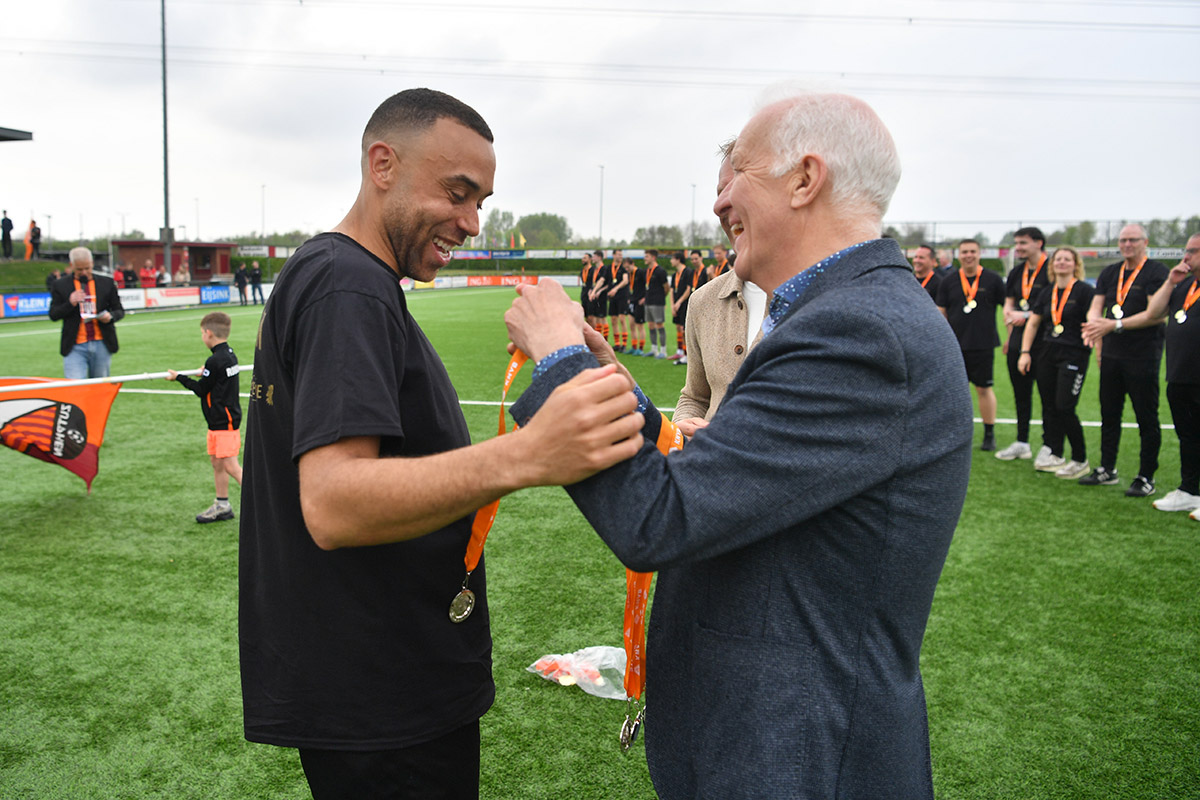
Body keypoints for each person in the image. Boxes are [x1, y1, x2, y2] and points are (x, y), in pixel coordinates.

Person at [505, 90, 972, 800]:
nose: (720, 201)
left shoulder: (858, 332)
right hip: (773, 736)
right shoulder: (840, 313)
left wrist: (559, 362)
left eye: (738, 176)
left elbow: (661, 519)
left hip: (796, 752)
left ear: (805, 179)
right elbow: (737, 482)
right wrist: (612, 387)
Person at [238, 88, 641, 800]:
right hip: (383, 690)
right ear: (382, 164)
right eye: (457, 193)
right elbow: (333, 503)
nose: (471, 222)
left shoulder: (338, 275)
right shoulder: (348, 287)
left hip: (371, 676)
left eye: (481, 201)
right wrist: (528, 454)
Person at [674, 147, 770, 437]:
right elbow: (695, 397)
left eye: (739, 187)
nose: (719, 206)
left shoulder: (830, 298)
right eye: (720, 192)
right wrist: (682, 428)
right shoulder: (702, 300)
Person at [1079, 223, 1169, 496]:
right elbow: (1096, 308)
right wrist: (1094, 327)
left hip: (1143, 355)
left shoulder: (1156, 272)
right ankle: (1107, 468)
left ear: (1145, 242)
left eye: (1133, 240)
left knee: (1146, 417)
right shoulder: (1110, 272)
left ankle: (1146, 476)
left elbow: (1156, 314)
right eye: (1123, 240)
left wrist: (1114, 325)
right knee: (1109, 414)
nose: (1127, 245)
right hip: (1111, 355)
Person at [1135, 233, 1200, 515]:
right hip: (1180, 374)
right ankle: (1189, 490)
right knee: (1188, 437)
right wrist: (1170, 282)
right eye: (1187, 250)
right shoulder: (1183, 284)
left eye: (1193, 251)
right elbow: (1154, 312)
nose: (1186, 256)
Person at [1017, 246, 1095, 479]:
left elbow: (1093, 320)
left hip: (1074, 354)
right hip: (1047, 353)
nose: (1061, 262)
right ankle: (1055, 453)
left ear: (1075, 264)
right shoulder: (1047, 292)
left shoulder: (1084, 291)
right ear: (1052, 265)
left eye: (1067, 259)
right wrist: (1025, 352)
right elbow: (1033, 323)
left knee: (1065, 406)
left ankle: (1080, 459)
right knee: (1049, 406)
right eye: (1058, 259)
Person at [167, 311, 243, 523]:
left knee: (231, 466)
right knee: (217, 463)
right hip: (217, 421)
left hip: (225, 422)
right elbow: (215, 380)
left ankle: (265, 503)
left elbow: (201, 390)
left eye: (202, 333)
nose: (202, 336)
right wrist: (206, 373)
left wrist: (179, 377)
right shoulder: (228, 354)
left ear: (209, 333)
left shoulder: (215, 360)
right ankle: (222, 505)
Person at [936, 239, 1006, 450]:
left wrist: (1011, 338)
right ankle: (956, 434)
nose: (968, 255)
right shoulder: (948, 281)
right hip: (955, 346)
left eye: (972, 251)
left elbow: (1007, 309)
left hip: (983, 344)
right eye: (965, 252)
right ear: (959, 255)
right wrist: (942, 341)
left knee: (984, 389)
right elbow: (941, 313)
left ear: (979, 253)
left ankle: (989, 434)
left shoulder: (993, 279)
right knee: (956, 391)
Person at [996, 227, 1053, 463]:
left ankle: (1050, 445)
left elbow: (1057, 304)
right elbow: (1008, 305)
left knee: (1048, 397)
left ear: (1038, 243)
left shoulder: (1052, 269)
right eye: (1017, 243)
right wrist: (1010, 331)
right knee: (1021, 394)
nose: (1018, 248)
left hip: (1046, 341)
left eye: (1023, 243)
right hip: (1019, 341)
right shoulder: (1017, 272)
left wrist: (1027, 316)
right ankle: (1022, 442)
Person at [48, 247, 124, 379]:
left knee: (99, 387)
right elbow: (53, 315)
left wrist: (110, 316)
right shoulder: (60, 285)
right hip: (74, 346)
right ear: (71, 265)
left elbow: (119, 310)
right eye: (79, 269)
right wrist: (70, 303)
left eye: (87, 268)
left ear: (92, 263)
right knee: (75, 387)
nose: (84, 272)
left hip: (102, 343)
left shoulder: (107, 283)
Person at [642, 248, 669, 358]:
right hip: (648, 301)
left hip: (657, 302)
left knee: (659, 325)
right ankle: (654, 349)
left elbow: (666, 287)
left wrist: (661, 298)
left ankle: (663, 351)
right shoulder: (647, 271)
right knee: (650, 325)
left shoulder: (660, 271)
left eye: (647, 256)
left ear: (653, 258)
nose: (645, 258)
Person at [668, 251, 694, 364]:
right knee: (678, 328)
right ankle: (680, 351)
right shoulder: (675, 274)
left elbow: (688, 289)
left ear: (678, 259)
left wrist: (679, 302)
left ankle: (687, 354)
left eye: (672, 259)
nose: (671, 261)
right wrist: (672, 305)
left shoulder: (688, 272)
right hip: (676, 305)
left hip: (684, 304)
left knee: (684, 330)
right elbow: (672, 290)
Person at [605, 248, 630, 351]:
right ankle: (617, 344)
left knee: (622, 319)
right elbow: (605, 281)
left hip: (622, 296)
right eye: (618, 254)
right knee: (613, 320)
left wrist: (615, 289)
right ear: (614, 255)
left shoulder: (623, 268)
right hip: (612, 297)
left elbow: (625, 281)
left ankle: (624, 344)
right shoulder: (609, 268)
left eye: (621, 255)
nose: (620, 256)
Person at [627, 255, 647, 355]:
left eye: (628, 267)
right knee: (631, 325)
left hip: (640, 302)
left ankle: (641, 348)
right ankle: (634, 347)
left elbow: (648, 286)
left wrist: (645, 298)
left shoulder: (641, 272)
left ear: (632, 264)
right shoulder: (629, 274)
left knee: (640, 326)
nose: (627, 269)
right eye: (625, 268)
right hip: (632, 302)